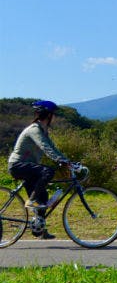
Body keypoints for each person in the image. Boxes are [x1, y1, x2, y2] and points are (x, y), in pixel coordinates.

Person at [7, 100, 70, 239]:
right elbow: (44, 147)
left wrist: (67, 161)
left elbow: (53, 148)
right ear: (48, 116)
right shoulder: (34, 129)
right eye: (53, 115)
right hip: (18, 165)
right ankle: (31, 199)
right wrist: (59, 160)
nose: (54, 118)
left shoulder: (43, 130)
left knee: (43, 198)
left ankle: (39, 230)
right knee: (48, 171)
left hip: (27, 167)